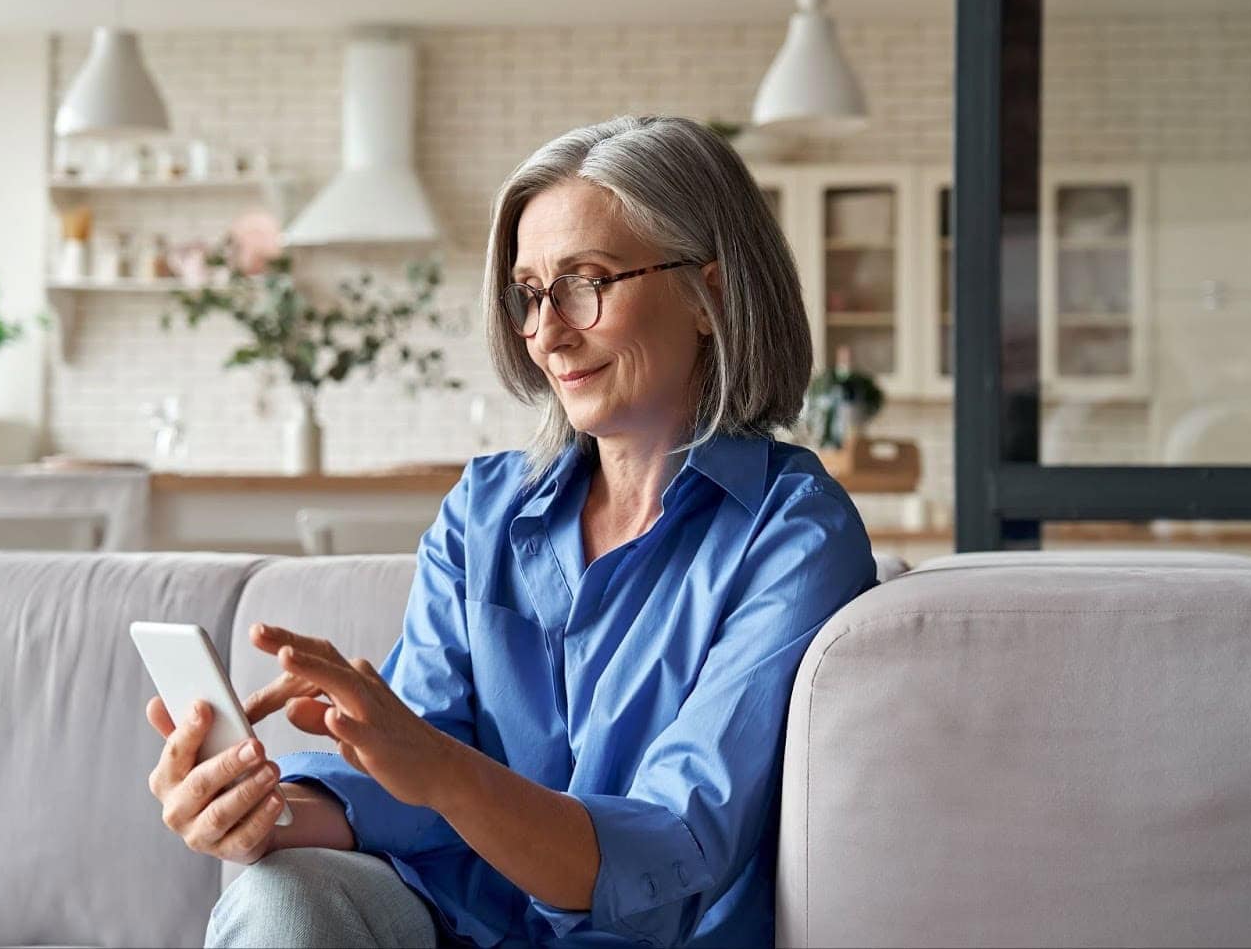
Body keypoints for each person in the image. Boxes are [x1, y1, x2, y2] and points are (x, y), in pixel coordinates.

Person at [145, 115, 878, 947]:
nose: (546, 332)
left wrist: (437, 769)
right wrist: (259, 810)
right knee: (279, 894)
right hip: (455, 926)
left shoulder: (791, 534)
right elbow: (411, 781)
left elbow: (674, 851)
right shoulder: (484, 509)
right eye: (530, 293)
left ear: (708, 295)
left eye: (585, 281)